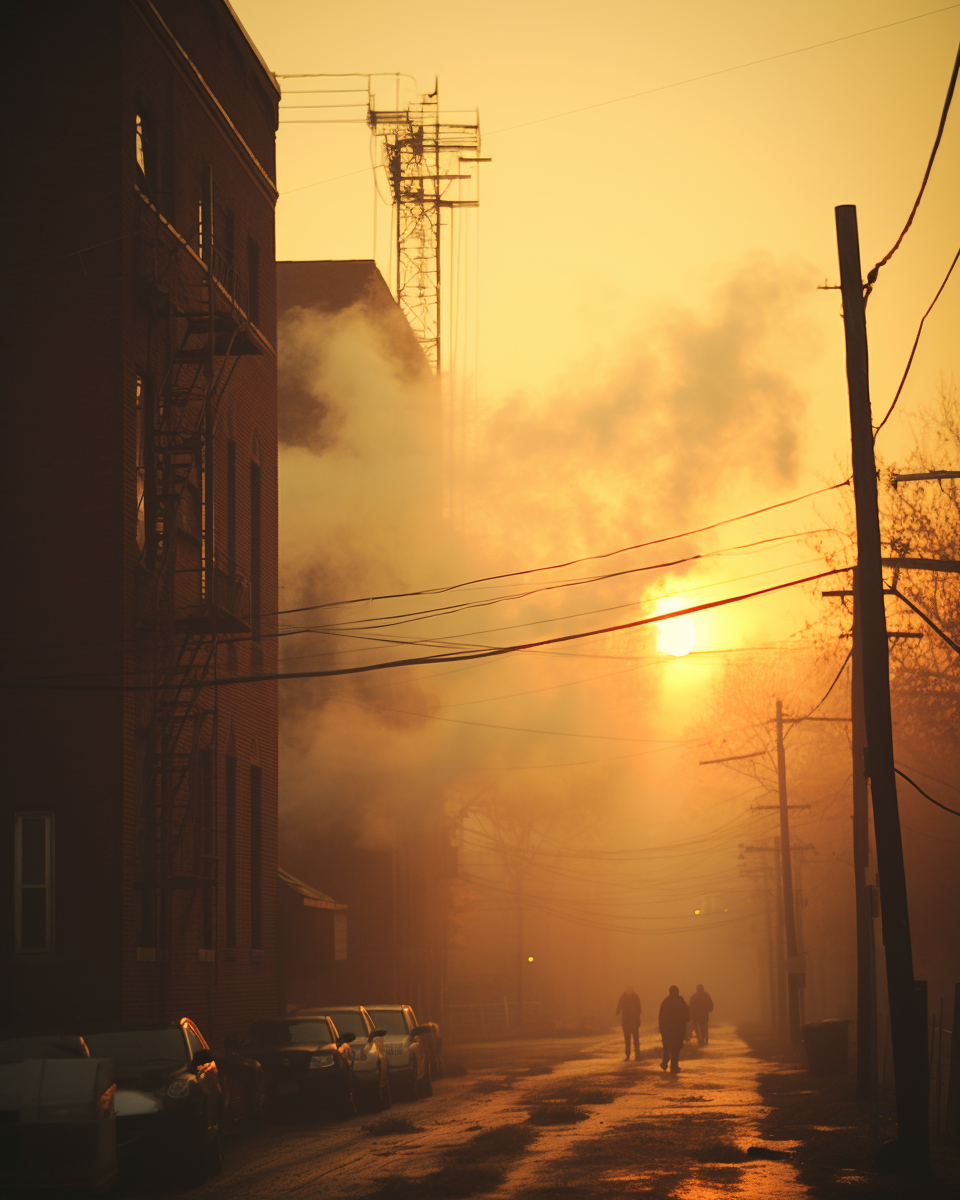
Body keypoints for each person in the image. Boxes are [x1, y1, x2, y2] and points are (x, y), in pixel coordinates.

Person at [658, 985, 690, 1073]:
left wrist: (661, 1028)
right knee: (676, 1048)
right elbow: (687, 1015)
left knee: (667, 1047)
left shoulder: (666, 1001)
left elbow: (661, 1017)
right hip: (678, 1029)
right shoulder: (681, 1001)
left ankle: (665, 1063)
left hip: (668, 1030)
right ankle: (673, 1066)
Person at [615, 987, 642, 1060]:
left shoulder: (624, 996)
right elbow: (639, 1009)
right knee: (634, 1038)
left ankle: (630, 1055)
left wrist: (617, 1012)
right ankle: (635, 1054)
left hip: (627, 1021)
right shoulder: (635, 996)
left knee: (629, 1038)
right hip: (632, 1021)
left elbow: (619, 1006)